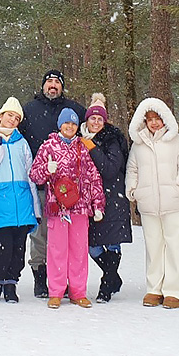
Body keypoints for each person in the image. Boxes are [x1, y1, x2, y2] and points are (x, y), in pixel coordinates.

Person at [29, 108, 105, 309]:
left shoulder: (83, 148)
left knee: (79, 250)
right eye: (66, 123)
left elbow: (93, 178)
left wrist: (98, 204)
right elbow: (35, 175)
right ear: (60, 125)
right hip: (57, 207)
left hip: (80, 207)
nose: (69, 127)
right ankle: (56, 291)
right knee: (56, 250)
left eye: (73, 123)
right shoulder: (48, 147)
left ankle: (78, 291)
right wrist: (47, 169)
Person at [19, 70, 86, 298]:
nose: (53, 85)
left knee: (65, 237)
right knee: (40, 234)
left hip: (69, 189)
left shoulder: (74, 109)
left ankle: (65, 280)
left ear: (62, 86)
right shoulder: (29, 110)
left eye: (57, 82)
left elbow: (94, 127)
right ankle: (40, 277)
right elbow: (14, 132)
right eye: (49, 81)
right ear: (43, 85)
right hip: (40, 182)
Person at [126, 98, 179, 309]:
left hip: (175, 202)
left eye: (157, 119)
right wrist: (133, 189)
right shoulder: (138, 145)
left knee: (177, 247)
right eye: (149, 119)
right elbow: (132, 169)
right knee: (154, 248)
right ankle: (154, 289)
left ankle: (175, 291)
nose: (154, 123)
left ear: (165, 119)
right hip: (149, 204)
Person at [0, 97, 39, 303]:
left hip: (21, 203)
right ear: (1, 116)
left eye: (16, 117)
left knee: (18, 249)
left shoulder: (22, 143)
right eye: (9, 115)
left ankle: (11, 284)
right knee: (2, 248)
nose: (12, 120)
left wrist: (36, 207)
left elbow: (30, 174)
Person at [81, 94, 131, 302]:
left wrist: (92, 149)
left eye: (100, 119)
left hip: (113, 198)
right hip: (89, 200)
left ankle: (106, 286)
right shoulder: (79, 138)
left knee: (111, 243)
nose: (96, 122)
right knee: (92, 246)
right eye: (92, 118)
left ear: (105, 121)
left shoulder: (113, 139)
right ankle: (113, 278)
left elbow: (110, 169)